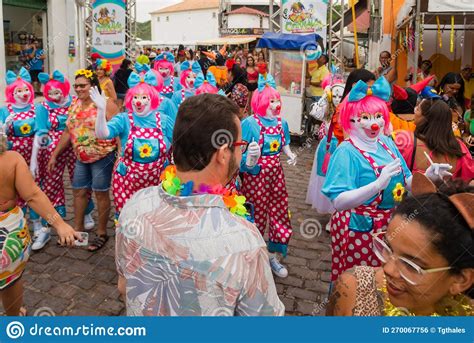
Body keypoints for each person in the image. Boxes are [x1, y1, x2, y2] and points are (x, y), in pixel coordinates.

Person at [116, 93, 285, 316]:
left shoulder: (135, 205)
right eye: (240, 145)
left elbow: (123, 286)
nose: (241, 151)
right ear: (223, 153)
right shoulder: (245, 243)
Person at [322, 76, 452, 283]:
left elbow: (406, 180)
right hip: (357, 227)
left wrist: (429, 177)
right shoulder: (346, 151)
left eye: (378, 116)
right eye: (365, 117)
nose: (374, 123)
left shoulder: (385, 142)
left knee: (382, 281)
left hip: (388, 226)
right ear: (352, 119)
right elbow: (338, 201)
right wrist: (377, 185)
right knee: (357, 283)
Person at [327, 173, 473, 316]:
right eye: (388, 248)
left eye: (411, 265)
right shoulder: (353, 288)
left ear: (461, 279)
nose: (388, 270)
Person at [0, 148, 81, 315]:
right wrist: (59, 224)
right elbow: (32, 195)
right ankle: (14, 316)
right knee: (11, 281)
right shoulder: (12, 159)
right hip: (9, 239)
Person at [47, 69, 118, 252]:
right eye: (76, 85)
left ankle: (102, 233)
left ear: (92, 86)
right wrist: (54, 154)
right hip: (80, 157)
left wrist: (122, 155)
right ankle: (76, 231)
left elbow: (119, 129)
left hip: (102, 156)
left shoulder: (105, 103)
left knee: (100, 193)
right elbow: (67, 131)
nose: (78, 89)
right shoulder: (74, 104)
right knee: (78, 192)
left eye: (82, 85)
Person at [29, 70, 95, 249]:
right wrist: (35, 161)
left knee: (81, 183)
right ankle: (47, 227)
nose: (53, 96)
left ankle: (86, 212)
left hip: (75, 148)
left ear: (65, 90)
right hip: (52, 152)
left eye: (56, 92)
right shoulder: (42, 107)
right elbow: (40, 132)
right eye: (49, 93)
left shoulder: (75, 103)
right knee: (50, 186)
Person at [240, 74, 297, 278]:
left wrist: (290, 154)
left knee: (280, 211)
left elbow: (285, 145)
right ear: (261, 102)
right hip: (256, 177)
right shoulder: (249, 123)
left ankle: (273, 255)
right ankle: (251, 255)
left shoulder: (282, 124)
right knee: (255, 214)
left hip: (276, 175)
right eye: (271, 101)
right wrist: (249, 160)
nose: (276, 104)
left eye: (277, 100)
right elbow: (239, 153)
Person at [95, 70, 173, 217]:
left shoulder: (164, 120)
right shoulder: (124, 119)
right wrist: (101, 111)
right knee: (129, 221)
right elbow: (102, 133)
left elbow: (178, 144)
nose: (139, 101)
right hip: (127, 182)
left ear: (152, 99)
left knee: (155, 222)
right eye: (135, 97)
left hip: (158, 183)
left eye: (144, 97)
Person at [394, 98, 473, 181]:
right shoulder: (459, 146)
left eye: (417, 109)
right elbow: (468, 179)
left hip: (412, 192)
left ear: (425, 117)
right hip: (448, 193)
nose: (415, 112)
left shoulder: (404, 139)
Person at [0, 67, 41, 210]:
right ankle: (18, 217)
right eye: (19, 91)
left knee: (34, 186)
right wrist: (5, 126)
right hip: (13, 153)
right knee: (14, 186)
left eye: (26, 90)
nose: (24, 94)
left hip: (34, 152)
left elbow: (39, 133)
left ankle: (37, 222)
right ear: (12, 93)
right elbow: (1, 137)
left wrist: (34, 162)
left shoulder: (37, 108)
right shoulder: (4, 110)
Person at [306, 74, 345, 215]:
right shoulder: (327, 110)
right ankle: (328, 210)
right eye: (334, 96)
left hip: (341, 148)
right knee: (323, 178)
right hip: (327, 148)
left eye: (340, 96)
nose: (337, 99)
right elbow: (314, 112)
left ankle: (335, 213)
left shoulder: (347, 111)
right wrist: (325, 95)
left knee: (338, 180)